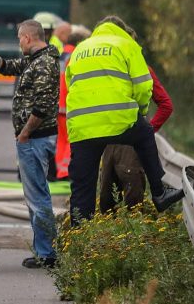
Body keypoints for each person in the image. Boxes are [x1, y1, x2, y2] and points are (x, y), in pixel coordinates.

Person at [65, 16, 184, 223]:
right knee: (145, 134)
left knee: (82, 186)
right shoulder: (127, 45)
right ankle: (160, 193)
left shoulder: (80, 49)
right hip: (116, 119)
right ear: (120, 30)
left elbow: (69, 82)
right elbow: (142, 85)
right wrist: (139, 112)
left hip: (82, 125)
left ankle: (78, 237)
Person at [0, 20, 61, 268]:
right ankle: (42, 249)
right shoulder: (36, 60)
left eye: (19, 38)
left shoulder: (45, 63)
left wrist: (25, 133)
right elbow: (9, 68)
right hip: (32, 139)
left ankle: (47, 253)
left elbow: (42, 106)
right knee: (35, 196)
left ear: (27, 37)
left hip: (36, 139)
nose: (18, 43)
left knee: (38, 197)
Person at [99, 66, 174, 212]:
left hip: (130, 144)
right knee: (106, 202)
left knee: (133, 204)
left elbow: (166, 105)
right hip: (108, 141)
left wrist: (145, 133)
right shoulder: (106, 65)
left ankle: (135, 232)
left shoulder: (142, 67)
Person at [55, 25, 90, 179]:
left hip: (57, 105)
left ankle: (60, 170)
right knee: (71, 139)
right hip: (69, 105)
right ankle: (66, 171)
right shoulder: (75, 56)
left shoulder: (61, 55)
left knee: (61, 140)